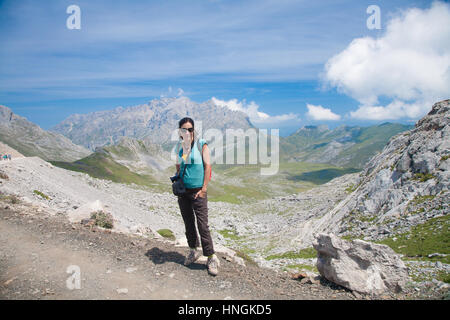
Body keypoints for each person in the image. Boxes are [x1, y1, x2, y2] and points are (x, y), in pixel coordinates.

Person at [175, 117, 219, 276]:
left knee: (203, 225)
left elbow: (208, 166)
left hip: (198, 191)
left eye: (190, 129)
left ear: (194, 130)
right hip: (183, 192)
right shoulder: (180, 148)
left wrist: (204, 188)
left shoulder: (201, 145)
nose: (187, 132)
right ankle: (193, 251)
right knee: (188, 223)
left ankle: (211, 257)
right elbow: (178, 166)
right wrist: (178, 181)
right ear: (180, 131)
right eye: (183, 130)